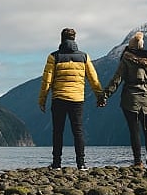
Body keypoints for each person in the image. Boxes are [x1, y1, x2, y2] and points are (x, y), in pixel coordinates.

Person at [38, 28, 103, 170]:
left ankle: (56, 163)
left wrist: (42, 100)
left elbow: (46, 81)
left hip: (59, 98)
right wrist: (100, 96)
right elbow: (93, 79)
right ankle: (81, 163)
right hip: (77, 99)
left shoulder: (54, 57)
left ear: (61, 39)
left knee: (58, 131)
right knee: (78, 131)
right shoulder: (84, 57)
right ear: (74, 39)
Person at [102, 31, 147, 169]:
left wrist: (104, 96)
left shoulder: (126, 59)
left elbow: (116, 80)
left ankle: (137, 162)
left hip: (130, 99)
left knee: (134, 131)